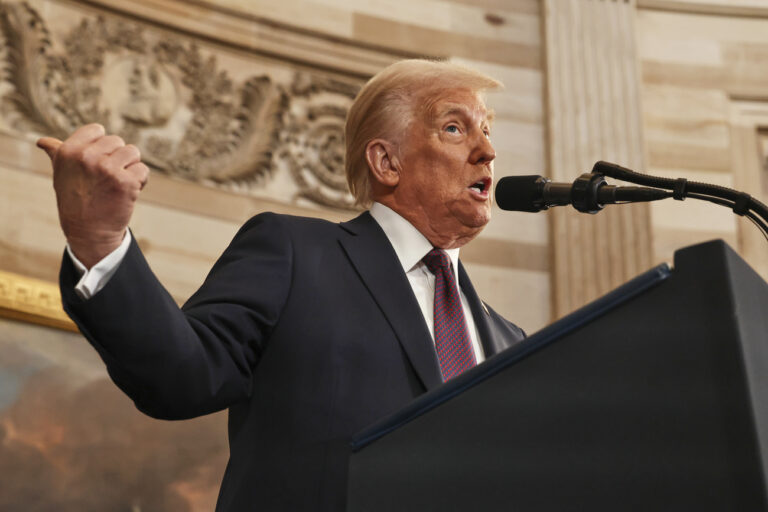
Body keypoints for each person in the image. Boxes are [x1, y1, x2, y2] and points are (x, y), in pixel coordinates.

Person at [37, 59, 526, 511]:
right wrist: (100, 242)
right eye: (455, 128)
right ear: (386, 163)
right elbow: (182, 376)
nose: (488, 151)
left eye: (485, 130)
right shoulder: (295, 253)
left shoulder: (511, 342)